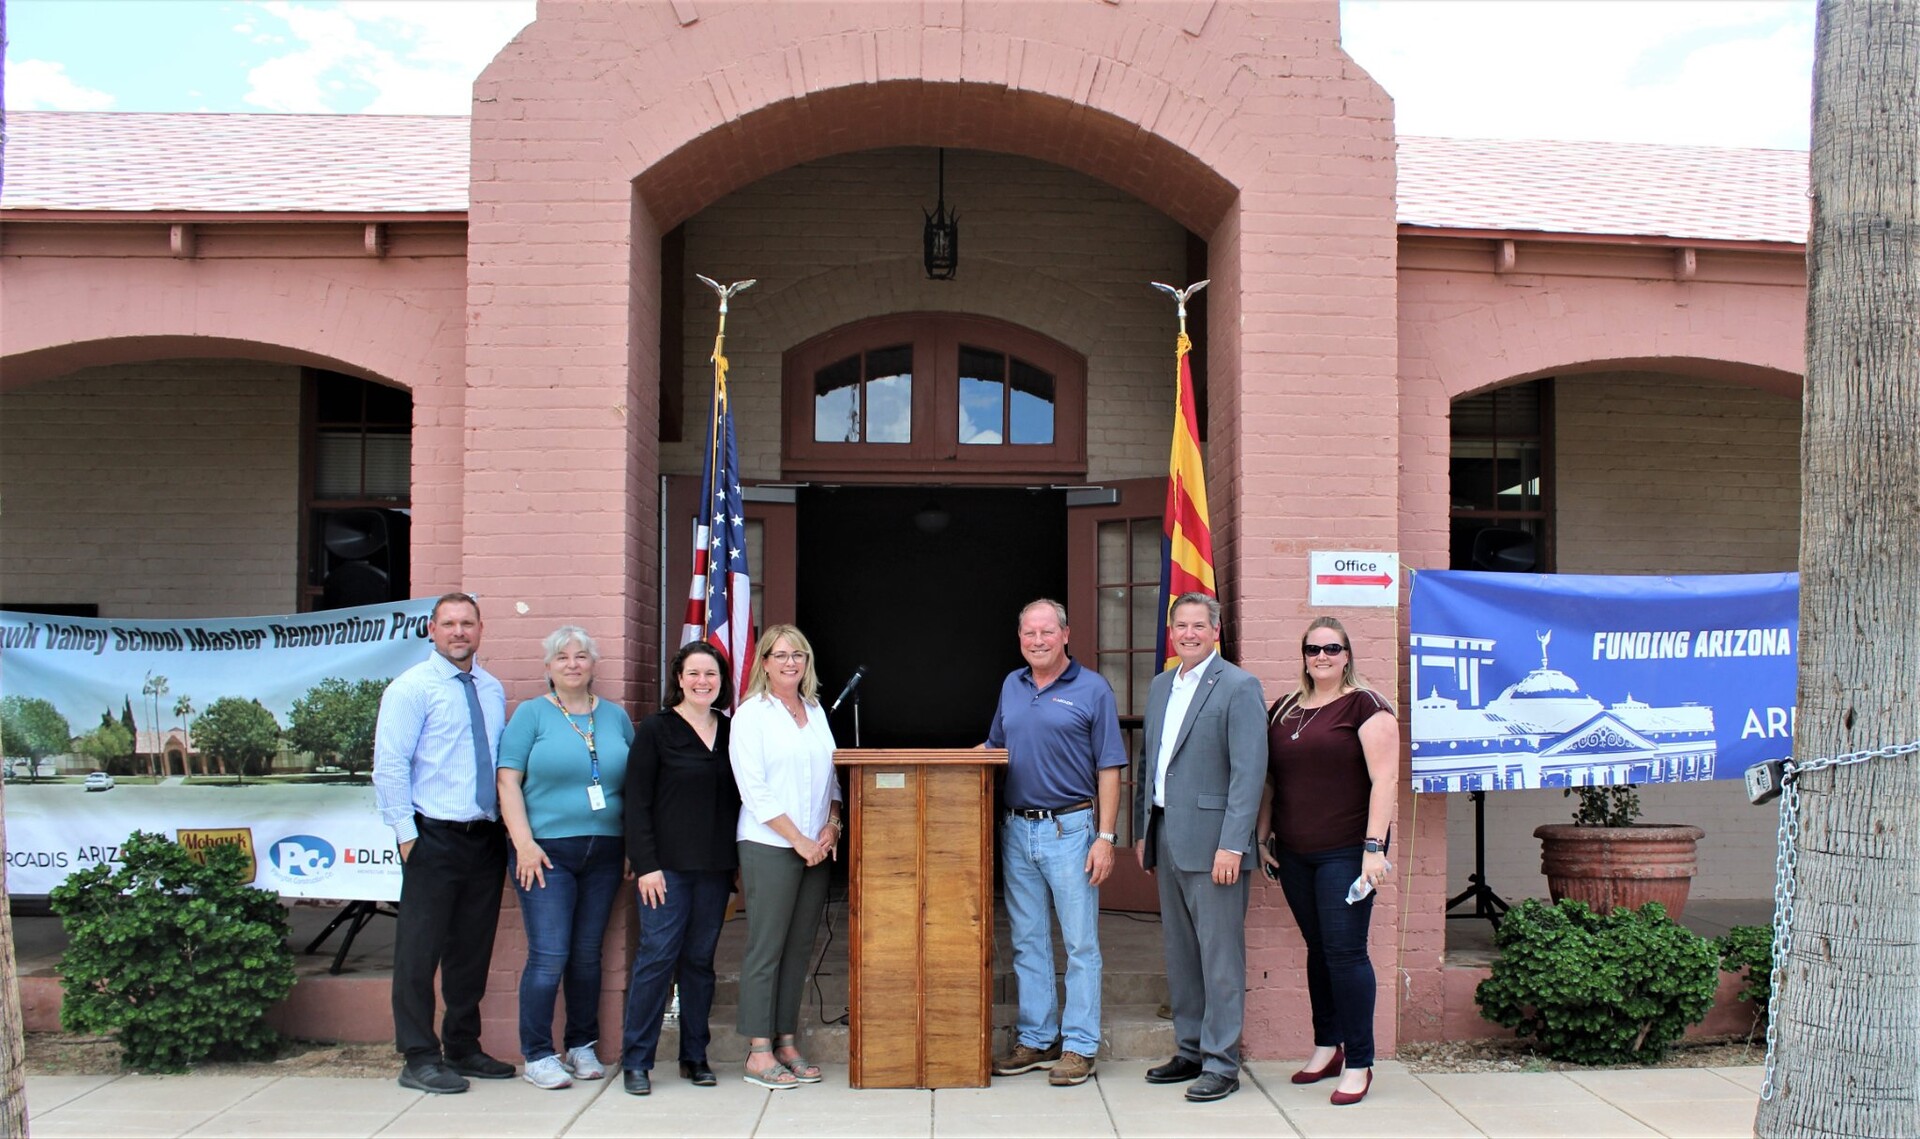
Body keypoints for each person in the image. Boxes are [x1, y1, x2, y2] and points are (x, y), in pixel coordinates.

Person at [372, 592, 514, 1093]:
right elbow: (389, 766)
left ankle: (462, 1046)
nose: (458, 632)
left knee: (470, 951)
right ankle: (417, 1056)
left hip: (484, 838)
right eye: (449, 623)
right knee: (419, 952)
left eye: (467, 623)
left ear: (480, 629)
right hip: (432, 836)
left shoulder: (491, 689)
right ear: (432, 629)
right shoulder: (412, 688)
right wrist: (408, 839)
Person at [1256, 616, 1399, 1107]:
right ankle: (1327, 1046)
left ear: (1347, 654)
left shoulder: (1367, 705)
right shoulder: (1285, 709)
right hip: (1295, 851)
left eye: (1332, 649)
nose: (1322, 657)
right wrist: (1261, 837)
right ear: (1303, 655)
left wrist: (1373, 850)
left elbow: (1384, 781)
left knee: (1346, 953)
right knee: (1319, 949)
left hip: (1347, 853)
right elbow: (1271, 781)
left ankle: (1360, 1060)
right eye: (1313, 649)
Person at [987, 599, 1127, 1087]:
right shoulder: (1012, 684)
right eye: (1029, 633)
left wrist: (1105, 838)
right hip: (1016, 829)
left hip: (1071, 830)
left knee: (1080, 942)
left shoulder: (1093, 689)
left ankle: (1080, 1046)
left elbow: (1109, 766)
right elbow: (993, 750)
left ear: (1066, 635)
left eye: (1047, 631)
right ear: (1020, 638)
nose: (1038, 640)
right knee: (1026, 941)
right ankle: (1037, 1037)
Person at [1133, 593, 1266, 1103]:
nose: (1188, 633)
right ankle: (1189, 1050)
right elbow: (1151, 762)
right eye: (1180, 626)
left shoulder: (1238, 685)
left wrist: (1233, 845)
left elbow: (1248, 773)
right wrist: (1145, 827)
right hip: (1167, 834)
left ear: (1215, 631)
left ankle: (1221, 1062)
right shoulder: (1162, 685)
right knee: (1182, 953)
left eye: (1198, 626)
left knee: (1220, 958)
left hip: (1216, 846)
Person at [496, 625, 633, 1091]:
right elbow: (507, 781)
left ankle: (581, 1045)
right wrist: (523, 843)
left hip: (606, 851)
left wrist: (634, 845)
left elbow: (633, 788)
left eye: (581, 656)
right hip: (546, 853)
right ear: (548, 668)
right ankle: (537, 1054)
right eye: (562, 657)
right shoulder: (531, 715)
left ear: (593, 665)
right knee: (550, 954)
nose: (572, 663)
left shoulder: (615, 718)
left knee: (587, 956)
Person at [619, 641, 742, 1096]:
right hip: (665, 871)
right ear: (679, 679)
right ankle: (638, 1060)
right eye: (694, 673)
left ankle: (695, 1055)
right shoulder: (657, 729)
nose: (702, 681)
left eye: (710, 674)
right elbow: (637, 801)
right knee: (656, 959)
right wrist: (646, 864)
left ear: (721, 681)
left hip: (713, 868)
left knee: (699, 963)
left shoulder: (731, 731)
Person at [730, 624, 842, 1090]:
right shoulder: (751, 714)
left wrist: (832, 826)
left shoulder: (814, 710)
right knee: (766, 948)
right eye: (780, 655)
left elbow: (834, 776)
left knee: (798, 948)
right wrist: (797, 838)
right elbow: (752, 788)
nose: (790, 662)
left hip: (816, 847)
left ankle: (787, 1041)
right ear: (764, 663)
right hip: (770, 844)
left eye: (798, 654)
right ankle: (758, 1051)